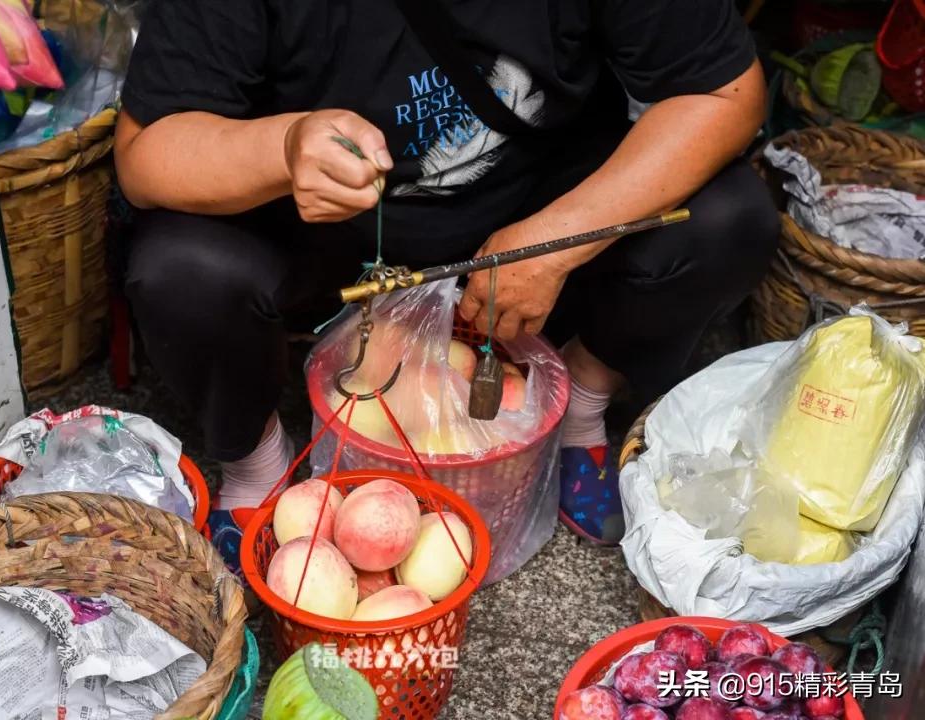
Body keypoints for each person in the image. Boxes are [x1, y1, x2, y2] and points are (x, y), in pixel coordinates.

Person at [114, 0, 779, 564]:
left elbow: (726, 94)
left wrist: (560, 241)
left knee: (728, 217)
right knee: (181, 265)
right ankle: (257, 462)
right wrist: (283, 150)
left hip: (535, 226)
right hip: (321, 244)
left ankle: (577, 402)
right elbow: (145, 155)